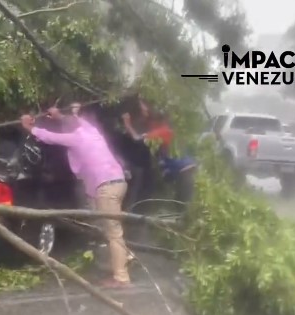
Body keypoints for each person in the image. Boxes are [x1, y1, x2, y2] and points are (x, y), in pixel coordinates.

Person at [20, 102, 132, 288]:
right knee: (108, 227)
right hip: (118, 182)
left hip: (106, 187)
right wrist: (60, 116)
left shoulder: (76, 138)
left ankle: (121, 278)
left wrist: (30, 128)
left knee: (113, 233)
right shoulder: (91, 131)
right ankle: (125, 256)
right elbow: (74, 121)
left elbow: (51, 137)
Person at [121, 98, 197, 206]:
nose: (144, 113)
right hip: (186, 168)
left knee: (180, 206)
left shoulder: (162, 131)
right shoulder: (164, 127)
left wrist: (127, 124)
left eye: (146, 111)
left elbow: (138, 139)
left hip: (184, 171)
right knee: (179, 204)